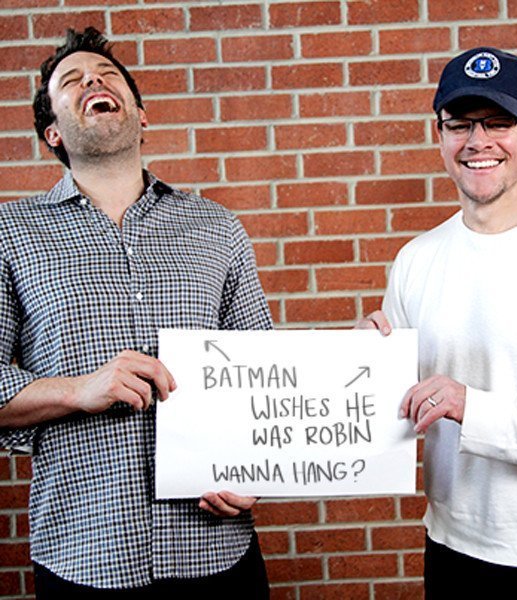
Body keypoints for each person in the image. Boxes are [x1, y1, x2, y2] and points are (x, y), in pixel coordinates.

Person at [0, 27, 272, 598]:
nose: (92, 82)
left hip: (215, 550)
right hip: (83, 553)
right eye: (71, 81)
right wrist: (78, 391)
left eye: (106, 75)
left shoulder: (218, 228)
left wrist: (256, 474)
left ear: (141, 116)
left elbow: (265, 377)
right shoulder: (10, 233)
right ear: (53, 131)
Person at [358, 47, 517, 598]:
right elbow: (396, 407)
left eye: (498, 123)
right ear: (439, 135)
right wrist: (361, 366)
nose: (477, 141)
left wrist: (473, 406)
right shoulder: (417, 259)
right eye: (460, 124)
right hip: (455, 548)